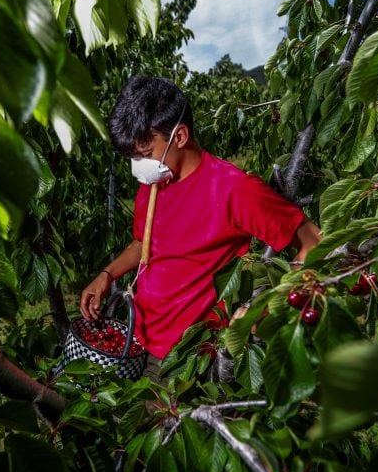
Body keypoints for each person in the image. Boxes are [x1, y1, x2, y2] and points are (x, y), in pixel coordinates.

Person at [79, 76, 322, 375]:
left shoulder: (234, 190)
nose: (138, 166)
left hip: (187, 358)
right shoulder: (154, 185)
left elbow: (314, 243)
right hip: (136, 338)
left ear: (179, 137)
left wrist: (271, 307)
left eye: (144, 155)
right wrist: (107, 274)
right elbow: (143, 243)